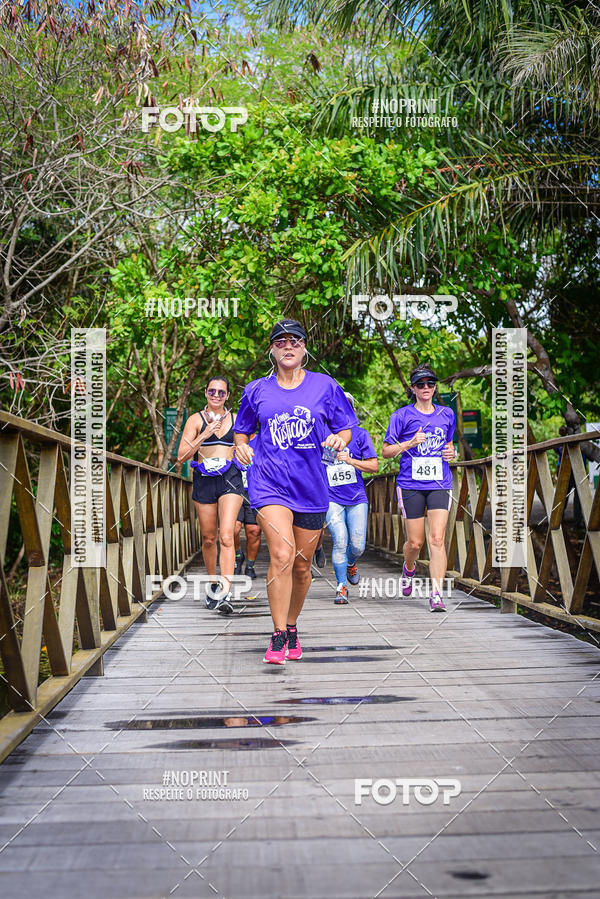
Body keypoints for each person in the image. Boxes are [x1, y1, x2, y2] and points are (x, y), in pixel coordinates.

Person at [234, 318, 358, 664]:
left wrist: (338, 438)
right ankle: (276, 636)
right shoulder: (256, 390)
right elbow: (241, 432)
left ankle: (291, 626)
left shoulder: (325, 386)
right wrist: (241, 446)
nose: (288, 346)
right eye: (281, 342)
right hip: (269, 483)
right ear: (272, 350)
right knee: (283, 555)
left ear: (304, 348)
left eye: (295, 341)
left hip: (312, 486)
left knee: (302, 566)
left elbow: (346, 427)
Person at [382, 365, 456, 612]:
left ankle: (436, 594)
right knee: (415, 543)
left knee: (437, 539)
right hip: (411, 484)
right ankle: (409, 568)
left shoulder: (447, 414)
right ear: (412, 388)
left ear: (435, 388)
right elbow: (386, 451)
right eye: (420, 384)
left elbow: (449, 446)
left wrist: (451, 452)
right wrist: (410, 442)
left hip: (439, 483)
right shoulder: (401, 416)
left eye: (430, 384)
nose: (426, 388)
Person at [178, 376, 245, 614]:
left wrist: (245, 453)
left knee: (227, 535)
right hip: (204, 480)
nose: (216, 395)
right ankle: (214, 583)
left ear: (227, 396)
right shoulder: (196, 420)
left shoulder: (236, 419)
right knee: (208, 538)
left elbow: (245, 448)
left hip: (230, 479)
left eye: (221, 392)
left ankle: (225, 592)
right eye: (212, 391)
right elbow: (181, 456)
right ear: (205, 393)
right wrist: (205, 435)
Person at [324, 392, 378, 604]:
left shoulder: (361, 434)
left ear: (352, 410)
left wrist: (351, 461)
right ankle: (341, 587)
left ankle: (351, 563)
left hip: (356, 497)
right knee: (339, 540)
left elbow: (374, 466)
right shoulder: (323, 434)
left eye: (346, 406)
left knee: (357, 545)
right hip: (331, 497)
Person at [234, 436, 261, 578]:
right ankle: (238, 556)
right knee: (233, 529)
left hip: (255, 491)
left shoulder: (262, 438)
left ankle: (250, 565)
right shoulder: (233, 439)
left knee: (254, 531)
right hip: (234, 490)